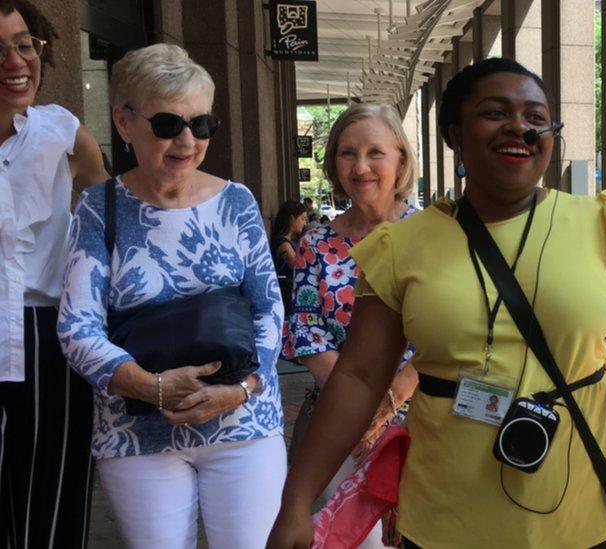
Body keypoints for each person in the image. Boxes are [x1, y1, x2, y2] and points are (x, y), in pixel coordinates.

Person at [268, 57, 606, 549]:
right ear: (455, 133)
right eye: (495, 113)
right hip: (448, 513)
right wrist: (296, 503)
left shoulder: (600, 225)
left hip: (589, 503)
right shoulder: (401, 247)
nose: (520, 127)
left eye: (536, 117)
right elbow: (359, 377)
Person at [56, 43, 286, 548]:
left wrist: (243, 387)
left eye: (201, 125)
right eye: (168, 125)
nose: (187, 140)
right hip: (136, 432)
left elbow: (269, 305)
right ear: (124, 122)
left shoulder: (238, 201)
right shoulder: (99, 207)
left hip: (243, 422)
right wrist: (150, 386)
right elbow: (76, 327)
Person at [283, 103, 420, 547]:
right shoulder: (316, 242)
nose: (360, 167)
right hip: (336, 426)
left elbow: (453, 334)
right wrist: (355, 411)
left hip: (424, 418)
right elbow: (306, 329)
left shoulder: (435, 235)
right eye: (347, 153)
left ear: (401, 159)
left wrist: (386, 404)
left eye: (374, 153)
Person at [0, 2, 109, 546]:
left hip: (47, 338)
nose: (15, 61)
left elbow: (109, 229)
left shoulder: (64, 134)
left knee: (52, 498)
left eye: (23, 44)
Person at [270, 199, 307, 317]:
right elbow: (299, 266)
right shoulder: (283, 243)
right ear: (292, 219)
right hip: (285, 295)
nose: (304, 223)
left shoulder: (288, 241)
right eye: (302, 219)